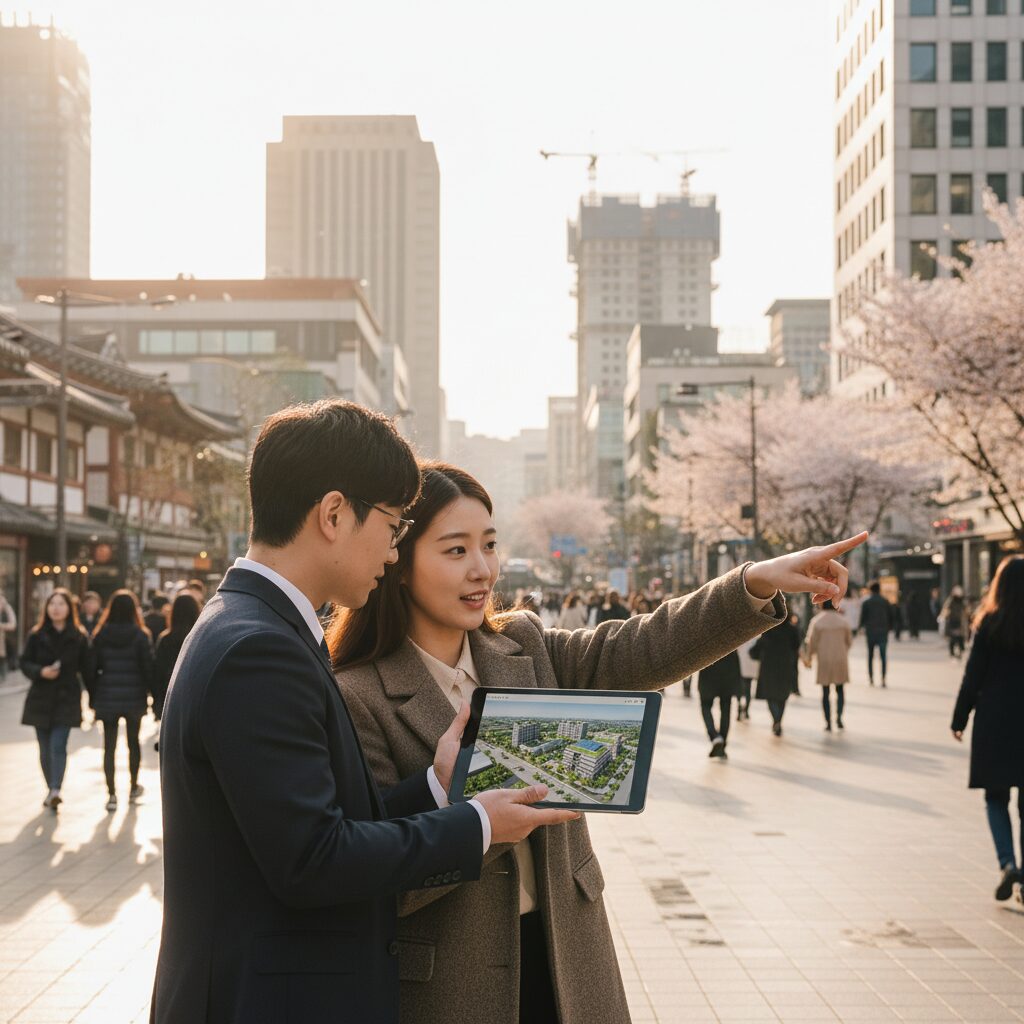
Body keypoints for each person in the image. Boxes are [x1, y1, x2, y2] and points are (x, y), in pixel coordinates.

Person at [330, 459, 866, 1024]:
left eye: (489, 545)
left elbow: (641, 646)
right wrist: (449, 801)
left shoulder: (523, 645)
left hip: (570, 960)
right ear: (400, 562)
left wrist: (754, 583)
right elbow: (370, 879)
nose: (482, 569)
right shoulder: (356, 694)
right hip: (449, 988)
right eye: (455, 550)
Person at [150, 401, 578, 1024]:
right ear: (332, 513)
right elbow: (312, 860)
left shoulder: (253, 625)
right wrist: (477, 826)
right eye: (394, 523)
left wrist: (438, 784)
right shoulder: (259, 649)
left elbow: (316, 824)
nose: (394, 547)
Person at [951, 556, 1024, 902]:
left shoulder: (989, 623)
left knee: (996, 798)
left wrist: (959, 718)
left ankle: (1008, 864)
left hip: (995, 719)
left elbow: (973, 675)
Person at [19, 588, 91, 809]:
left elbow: (88, 667)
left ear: (69, 608)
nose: (56, 608)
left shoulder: (78, 636)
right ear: (46, 608)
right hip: (40, 698)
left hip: (66, 698)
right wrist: (40, 671)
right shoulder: (37, 634)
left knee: (58, 746)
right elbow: (24, 662)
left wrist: (95, 698)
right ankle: (51, 788)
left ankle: (55, 789)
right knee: (44, 748)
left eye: (61, 604)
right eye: (52, 604)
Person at [90, 589, 155, 811]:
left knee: (109, 747)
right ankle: (133, 786)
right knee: (133, 743)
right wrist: (150, 694)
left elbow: (92, 668)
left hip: (107, 695)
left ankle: (111, 794)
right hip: (134, 695)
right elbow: (148, 668)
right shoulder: (140, 635)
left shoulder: (101, 634)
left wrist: (94, 694)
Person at [153, 592, 202, 721]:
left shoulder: (165, 638)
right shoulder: (201, 637)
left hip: (169, 694)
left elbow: (158, 671)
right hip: (195, 696)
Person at [805, 600, 853, 731]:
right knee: (840, 689)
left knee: (825, 691)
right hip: (840, 659)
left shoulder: (817, 621)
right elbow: (849, 641)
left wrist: (808, 658)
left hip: (824, 659)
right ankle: (839, 718)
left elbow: (812, 643)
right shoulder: (843, 621)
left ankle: (828, 722)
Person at [751, 614, 802, 736]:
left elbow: (758, 647)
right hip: (786, 665)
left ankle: (776, 719)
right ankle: (778, 720)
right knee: (782, 695)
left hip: (769, 666)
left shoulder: (768, 629)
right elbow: (796, 645)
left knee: (770, 695)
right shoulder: (792, 629)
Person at [698, 650, 742, 759]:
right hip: (727, 676)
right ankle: (722, 743)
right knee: (726, 711)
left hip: (708, 674)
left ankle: (715, 736)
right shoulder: (731, 634)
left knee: (705, 707)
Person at [858, 581, 891, 687]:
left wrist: (861, 628)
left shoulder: (866, 602)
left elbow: (862, 618)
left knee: (870, 656)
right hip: (882, 632)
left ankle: (871, 678)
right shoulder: (885, 601)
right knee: (883, 656)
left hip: (870, 632)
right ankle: (883, 678)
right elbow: (891, 616)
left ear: (870, 590)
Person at [941, 585, 970, 659]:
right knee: (953, 638)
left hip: (959, 622)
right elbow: (946, 610)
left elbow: (966, 610)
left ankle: (958, 651)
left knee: (958, 638)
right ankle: (953, 652)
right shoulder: (951, 601)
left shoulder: (961, 601)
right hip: (953, 622)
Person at [736, 637, 757, 721]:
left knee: (740, 689)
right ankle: (746, 710)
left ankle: (739, 708)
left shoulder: (741, 636)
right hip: (751, 667)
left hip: (741, 666)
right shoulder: (756, 635)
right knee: (748, 689)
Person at [0, 589, 16, 683]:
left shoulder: (7, 609)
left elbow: (13, 624)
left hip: (4, 640)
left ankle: (3, 679)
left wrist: (2, 626)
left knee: (2, 659)